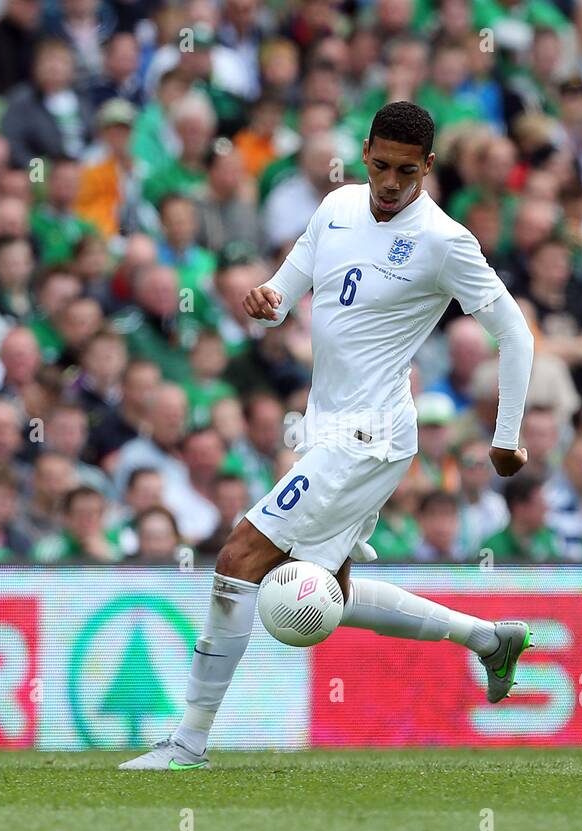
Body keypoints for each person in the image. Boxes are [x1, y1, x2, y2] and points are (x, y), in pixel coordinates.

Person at [121, 102, 535, 771]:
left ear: (428, 167)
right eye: (380, 165)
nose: (391, 181)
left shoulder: (444, 241)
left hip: (371, 434)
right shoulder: (338, 205)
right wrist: (268, 299)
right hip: (329, 427)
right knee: (322, 594)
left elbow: (514, 333)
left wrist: (506, 435)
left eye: (407, 170)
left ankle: (186, 743)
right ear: (365, 152)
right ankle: (489, 640)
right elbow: (288, 287)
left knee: (240, 555)